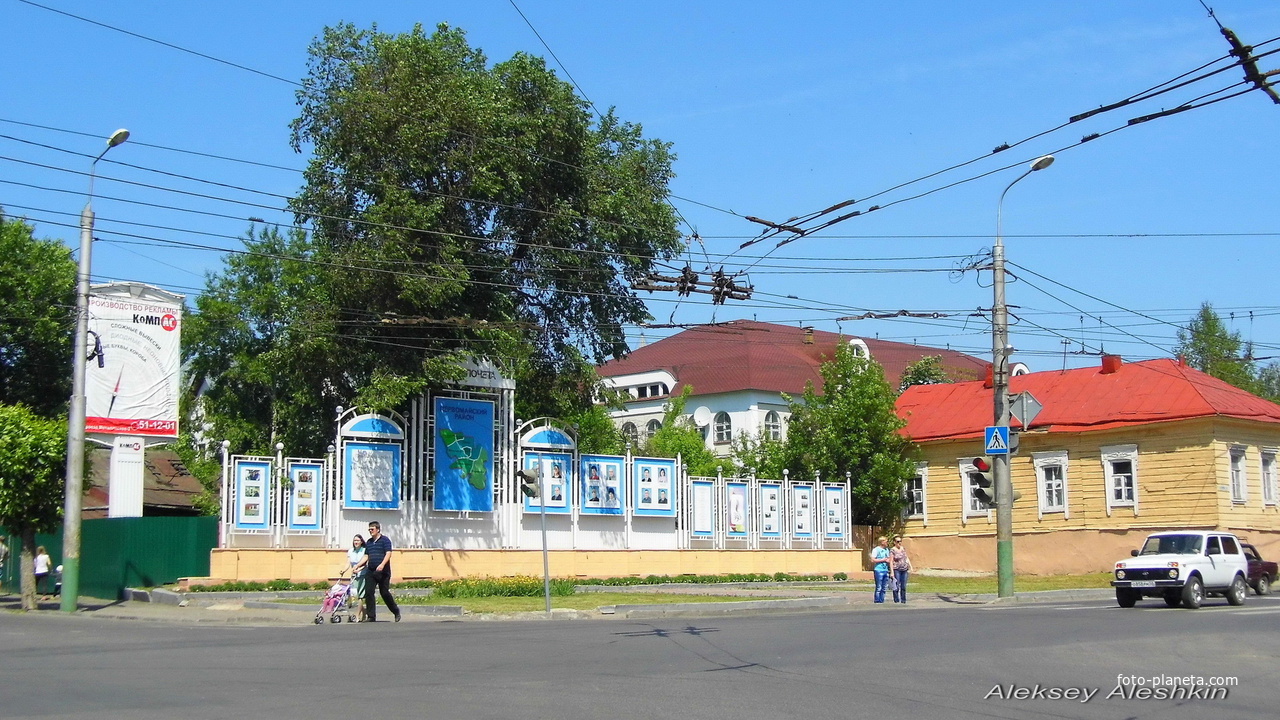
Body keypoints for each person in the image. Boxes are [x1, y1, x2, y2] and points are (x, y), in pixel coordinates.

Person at [362, 522, 401, 623]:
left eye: (372, 529)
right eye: (369, 530)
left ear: (378, 529)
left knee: (384, 592)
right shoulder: (369, 542)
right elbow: (366, 556)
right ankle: (371, 616)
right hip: (371, 570)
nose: (370, 531)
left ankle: (396, 611)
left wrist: (382, 564)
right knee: (368, 592)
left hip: (383, 571)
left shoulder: (385, 540)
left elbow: (388, 553)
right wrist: (358, 566)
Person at [347, 534, 368, 622]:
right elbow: (348, 563)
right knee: (354, 596)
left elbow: (366, 563)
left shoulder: (364, 550)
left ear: (361, 541)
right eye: (355, 540)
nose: (356, 542)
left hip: (363, 575)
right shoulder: (351, 551)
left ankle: (357, 615)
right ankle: (365, 612)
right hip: (354, 576)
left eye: (358, 540)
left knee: (360, 596)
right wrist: (343, 570)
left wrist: (359, 569)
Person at [890, 535, 913, 604]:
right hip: (897, 569)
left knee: (903, 586)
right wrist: (892, 572)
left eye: (900, 541)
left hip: (904, 569)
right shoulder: (892, 550)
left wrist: (910, 566)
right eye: (897, 541)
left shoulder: (903, 549)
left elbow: (906, 558)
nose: (899, 543)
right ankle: (896, 600)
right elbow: (891, 561)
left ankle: (903, 600)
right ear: (894, 542)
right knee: (896, 586)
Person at [870, 536, 891, 604]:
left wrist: (888, 561)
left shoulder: (887, 550)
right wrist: (883, 560)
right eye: (886, 541)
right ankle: (877, 601)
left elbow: (888, 558)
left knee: (884, 587)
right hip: (878, 570)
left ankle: (882, 600)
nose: (887, 543)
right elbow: (873, 560)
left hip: (885, 570)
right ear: (882, 542)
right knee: (879, 587)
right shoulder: (876, 550)